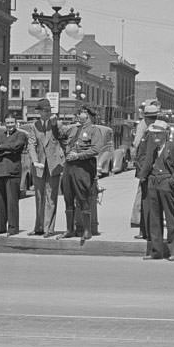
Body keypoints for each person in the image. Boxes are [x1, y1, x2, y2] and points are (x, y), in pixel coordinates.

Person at [137, 120, 174, 261]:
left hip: (166, 184)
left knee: (170, 218)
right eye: (153, 134)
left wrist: (171, 182)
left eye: (158, 133)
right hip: (153, 184)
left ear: (166, 134)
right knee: (154, 219)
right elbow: (146, 164)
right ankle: (156, 251)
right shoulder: (153, 149)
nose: (156, 136)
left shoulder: (173, 147)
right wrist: (145, 179)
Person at [58, 103, 103, 243]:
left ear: (87, 114)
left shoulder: (94, 130)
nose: (78, 115)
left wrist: (78, 156)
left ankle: (87, 230)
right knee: (68, 197)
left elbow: (95, 149)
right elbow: (60, 137)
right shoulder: (74, 129)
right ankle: (69, 230)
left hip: (83, 168)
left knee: (83, 197)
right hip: (69, 167)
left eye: (81, 113)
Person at [25, 99, 65, 237]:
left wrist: (55, 126)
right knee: (39, 196)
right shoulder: (34, 126)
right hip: (39, 166)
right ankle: (39, 227)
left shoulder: (57, 124)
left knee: (51, 197)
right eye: (45, 110)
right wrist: (35, 161)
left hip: (54, 165)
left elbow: (62, 138)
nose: (47, 113)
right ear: (39, 112)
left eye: (49, 110)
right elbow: (31, 144)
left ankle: (49, 229)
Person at [0, 116, 28, 236]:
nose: (10, 125)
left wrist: (1, 147)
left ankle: (13, 228)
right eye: (7, 123)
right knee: (0, 202)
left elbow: (17, 146)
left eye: (12, 122)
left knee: (12, 202)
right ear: (4, 124)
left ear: (16, 123)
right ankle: (0, 228)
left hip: (13, 172)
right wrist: (8, 149)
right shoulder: (0, 136)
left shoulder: (21, 135)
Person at [131, 101, 161, 237]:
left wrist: (142, 173)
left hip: (147, 172)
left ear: (145, 117)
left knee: (147, 201)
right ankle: (144, 230)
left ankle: (146, 231)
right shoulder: (158, 130)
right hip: (153, 171)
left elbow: (146, 155)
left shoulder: (148, 132)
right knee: (149, 201)